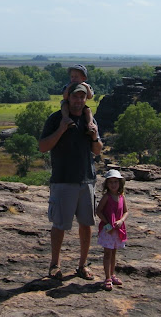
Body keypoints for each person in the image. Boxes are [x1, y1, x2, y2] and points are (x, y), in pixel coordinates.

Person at [39, 82, 103, 281]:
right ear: (68, 98)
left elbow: (98, 150)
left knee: (86, 224)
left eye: (82, 97)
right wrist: (61, 130)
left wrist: (94, 136)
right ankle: (54, 265)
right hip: (63, 179)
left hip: (86, 180)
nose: (78, 101)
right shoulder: (56, 118)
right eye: (75, 97)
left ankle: (82, 265)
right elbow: (42, 146)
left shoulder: (88, 119)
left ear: (86, 99)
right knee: (59, 224)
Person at [95, 169, 128, 291]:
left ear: (120, 183)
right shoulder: (107, 197)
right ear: (107, 184)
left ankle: (112, 274)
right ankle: (107, 277)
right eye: (111, 182)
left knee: (114, 253)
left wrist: (121, 221)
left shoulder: (121, 196)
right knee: (108, 253)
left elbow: (126, 211)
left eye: (116, 182)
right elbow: (98, 211)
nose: (113, 185)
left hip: (118, 229)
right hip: (108, 229)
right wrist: (106, 222)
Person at [60, 64, 97, 140]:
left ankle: (90, 124)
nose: (73, 79)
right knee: (64, 106)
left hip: (81, 106)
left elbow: (90, 97)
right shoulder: (68, 85)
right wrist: (69, 88)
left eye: (76, 77)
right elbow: (65, 97)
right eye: (72, 77)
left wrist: (86, 87)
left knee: (88, 110)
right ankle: (66, 119)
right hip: (68, 103)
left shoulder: (86, 86)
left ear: (83, 78)